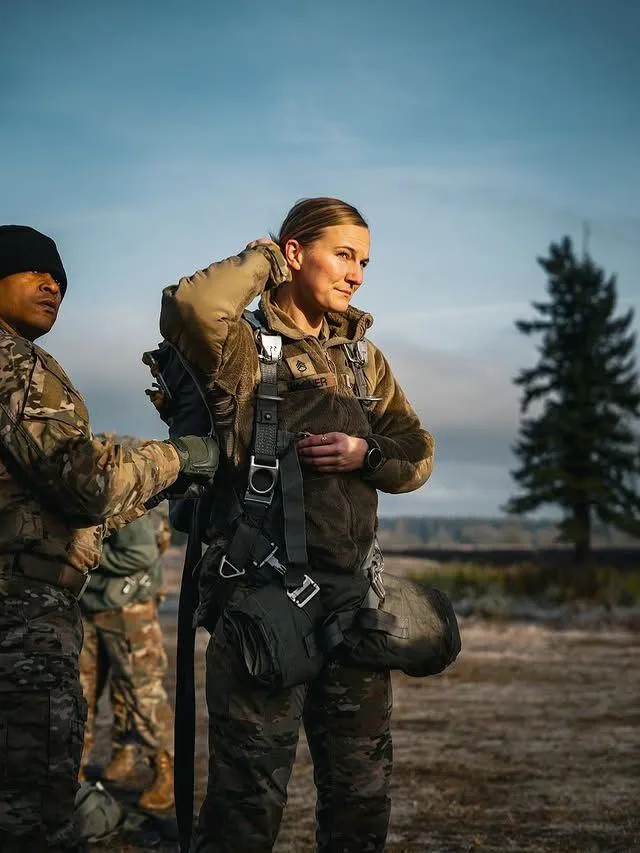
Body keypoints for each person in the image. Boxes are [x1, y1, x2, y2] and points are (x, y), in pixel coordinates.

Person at [157, 197, 435, 853]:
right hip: (264, 608)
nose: (358, 273)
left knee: (361, 806)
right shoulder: (244, 351)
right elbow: (191, 308)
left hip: (352, 608)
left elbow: (418, 452)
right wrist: (259, 260)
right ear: (294, 253)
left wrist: (367, 455)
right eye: (343, 254)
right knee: (244, 814)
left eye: (365, 260)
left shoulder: (366, 362)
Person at [0, 225, 219, 852]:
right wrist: (180, 459)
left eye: (60, 278)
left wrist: (153, 487)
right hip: (18, 616)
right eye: (30, 270)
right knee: (30, 809)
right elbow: (81, 485)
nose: (52, 285)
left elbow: (48, 507)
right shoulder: (14, 363)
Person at [79, 499, 175, 815]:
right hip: (89, 602)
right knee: (79, 693)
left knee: (142, 693)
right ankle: (80, 771)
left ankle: (166, 771)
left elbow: (141, 552)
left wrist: (79, 552)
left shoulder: (115, 476)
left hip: (128, 607)